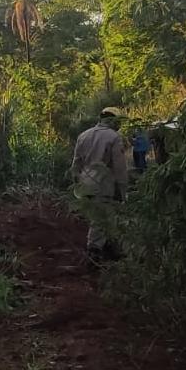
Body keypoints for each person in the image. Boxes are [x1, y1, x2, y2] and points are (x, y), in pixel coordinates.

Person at [71, 107, 128, 259]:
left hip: (85, 184)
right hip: (104, 184)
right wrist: (122, 191)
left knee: (99, 218)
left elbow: (75, 165)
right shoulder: (114, 137)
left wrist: (77, 184)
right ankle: (94, 252)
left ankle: (108, 248)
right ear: (114, 120)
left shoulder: (83, 135)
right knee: (101, 219)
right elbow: (119, 167)